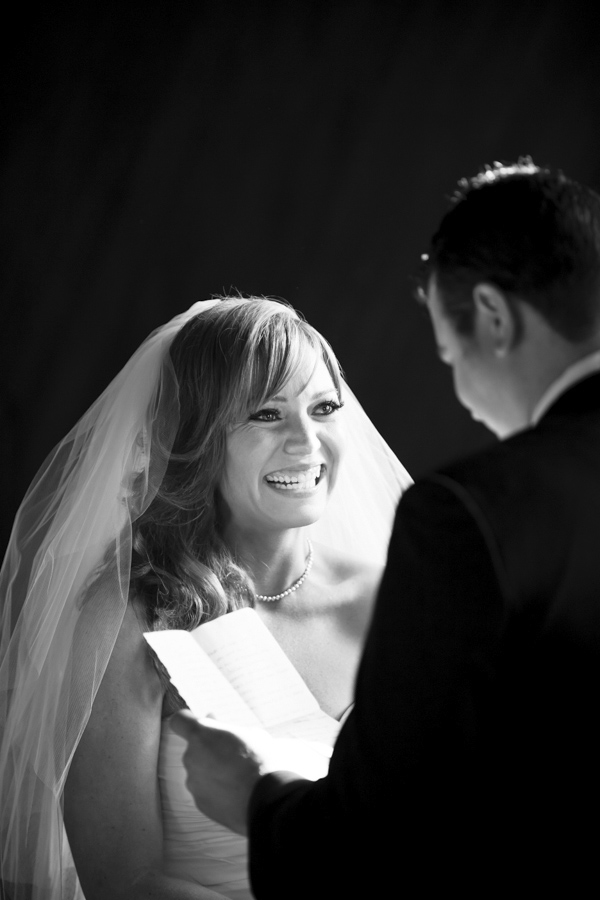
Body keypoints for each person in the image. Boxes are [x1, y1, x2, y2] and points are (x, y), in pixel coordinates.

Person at [172, 160, 600, 896]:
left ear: (493, 319)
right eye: (266, 413)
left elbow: (380, 834)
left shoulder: (474, 512)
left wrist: (252, 794)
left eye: (450, 353)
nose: (464, 397)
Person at [0, 297, 411, 900]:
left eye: (323, 408)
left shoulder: (392, 603)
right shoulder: (130, 615)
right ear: (197, 439)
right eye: (266, 415)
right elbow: (127, 882)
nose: (306, 441)